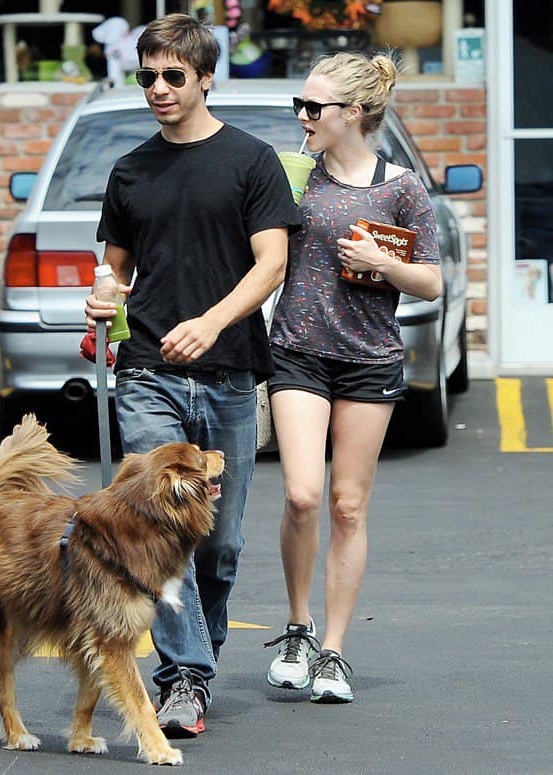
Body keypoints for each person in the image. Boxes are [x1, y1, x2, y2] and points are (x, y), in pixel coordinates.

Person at [85, 13, 300, 738]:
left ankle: (193, 666)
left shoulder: (250, 160)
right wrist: (100, 304)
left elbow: (271, 262)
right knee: (157, 527)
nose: (158, 88)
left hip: (231, 372)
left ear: (207, 78)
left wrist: (212, 321)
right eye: (147, 75)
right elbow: (114, 271)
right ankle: (183, 677)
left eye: (173, 75)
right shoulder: (131, 169)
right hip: (146, 368)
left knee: (221, 541)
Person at [264, 51, 442, 704]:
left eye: (314, 108)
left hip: (369, 359)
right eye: (300, 106)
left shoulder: (399, 188)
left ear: (354, 114)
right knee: (304, 493)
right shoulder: (293, 178)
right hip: (298, 353)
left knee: (347, 504)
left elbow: (430, 278)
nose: (302, 117)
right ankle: (296, 626)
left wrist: (380, 259)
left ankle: (334, 649)